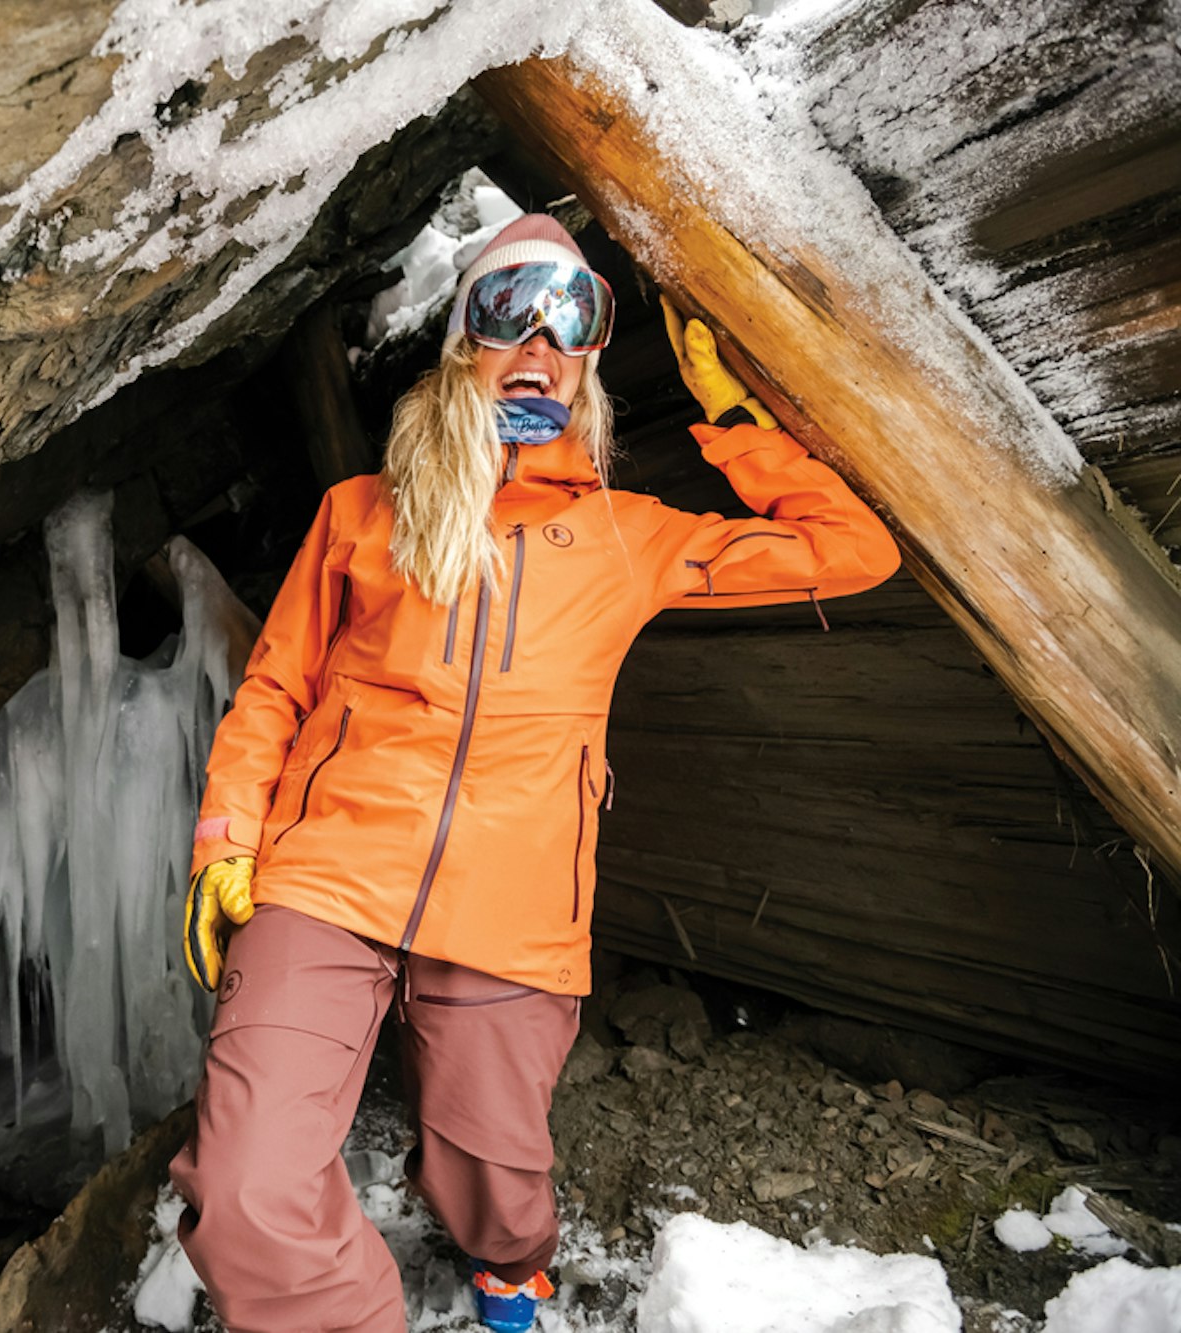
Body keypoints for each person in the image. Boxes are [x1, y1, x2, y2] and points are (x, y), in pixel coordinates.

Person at [168, 213, 901, 1333]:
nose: (540, 344)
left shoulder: (629, 537)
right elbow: (271, 690)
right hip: (324, 880)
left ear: (592, 358)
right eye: (508, 310)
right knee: (241, 1193)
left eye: (574, 320)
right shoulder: (361, 514)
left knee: (497, 1181)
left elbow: (850, 549)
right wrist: (226, 841)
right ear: (462, 338)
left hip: (514, 908)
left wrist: (734, 417)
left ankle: (502, 1258)